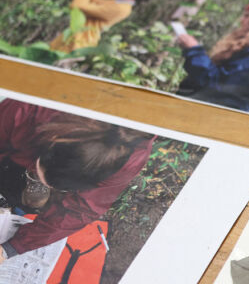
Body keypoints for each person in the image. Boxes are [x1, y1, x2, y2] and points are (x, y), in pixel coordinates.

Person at [0, 99, 154, 262]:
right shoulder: (32, 110)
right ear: (53, 141)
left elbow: (79, 210)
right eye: (38, 172)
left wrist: (10, 249)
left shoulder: (127, 162)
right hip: (23, 136)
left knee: (24, 199)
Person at [175, 0, 249, 112]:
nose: (242, 20)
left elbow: (219, 83)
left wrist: (194, 50)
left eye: (248, 16)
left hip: (217, 110)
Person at [49, 0, 155, 53]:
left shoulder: (121, 8)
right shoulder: (117, 3)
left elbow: (78, 6)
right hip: (73, 38)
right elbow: (94, 2)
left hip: (78, 43)